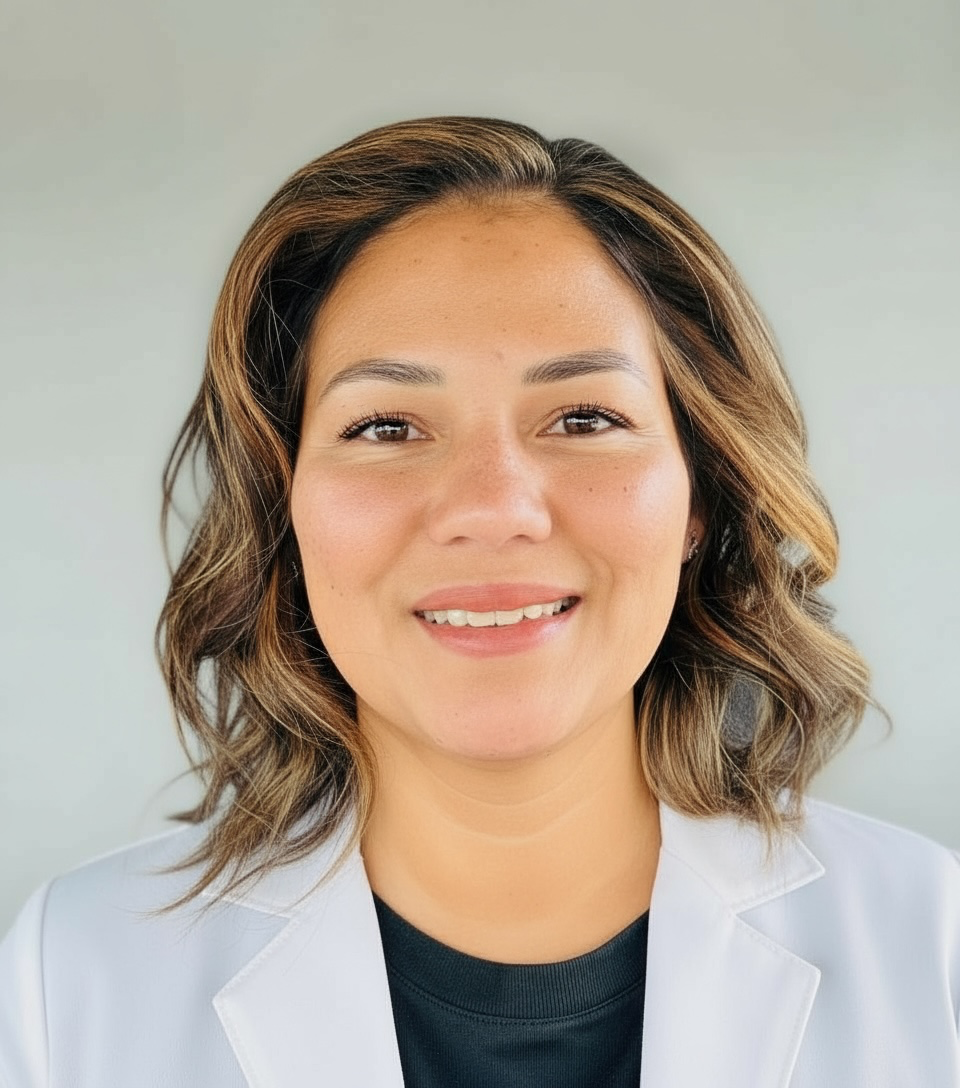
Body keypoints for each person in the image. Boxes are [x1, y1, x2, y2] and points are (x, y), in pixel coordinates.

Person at [0, 115, 958, 1088]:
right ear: (280, 506)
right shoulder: (71, 977)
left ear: (702, 498)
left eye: (585, 416)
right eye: (386, 425)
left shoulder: (935, 952)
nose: (493, 506)